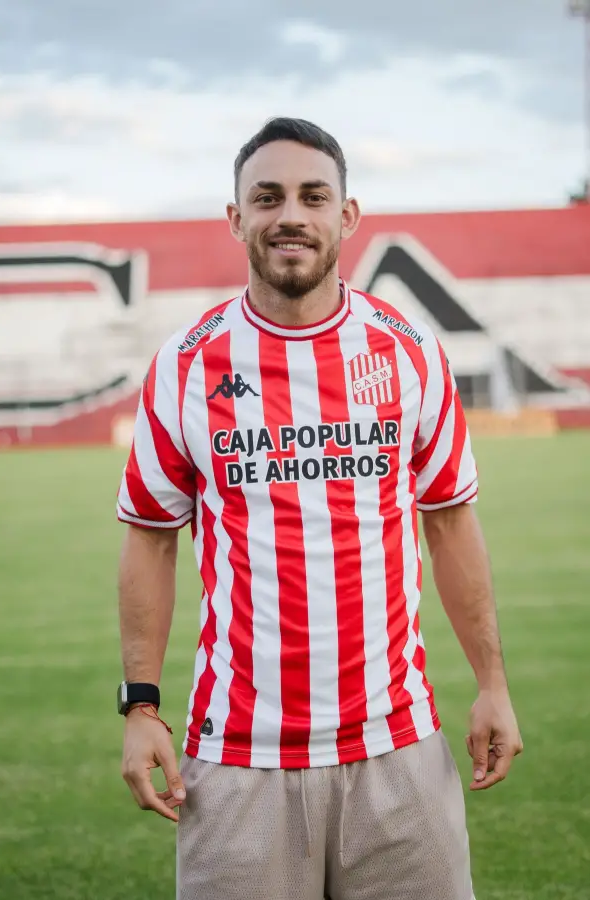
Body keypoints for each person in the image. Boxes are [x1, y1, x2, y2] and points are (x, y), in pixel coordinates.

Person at [116, 117, 523, 900]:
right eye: (267, 197)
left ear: (348, 214)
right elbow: (151, 537)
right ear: (236, 217)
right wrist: (141, 707)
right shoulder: (187, 365)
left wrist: (492, 683)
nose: (290, 216)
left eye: (313, 196)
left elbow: (449, 520)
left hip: (398, 747)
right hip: (238, 760)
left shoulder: (408, 351)